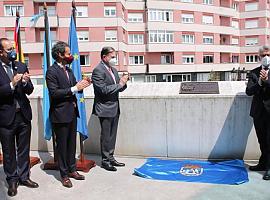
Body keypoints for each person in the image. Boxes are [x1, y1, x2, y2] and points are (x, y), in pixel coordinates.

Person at [46, 41, 91, 187]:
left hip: (72, 113)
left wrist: (82, 85)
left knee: (72, 144)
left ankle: (72, 169)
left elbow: (75, 88)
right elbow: (54, 93)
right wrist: (74, 88)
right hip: (60, 114)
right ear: (59, 55)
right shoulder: (52, 72)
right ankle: (64, 175)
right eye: (67, 53)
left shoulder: (69, 70)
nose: (70, 56)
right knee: (63, 146)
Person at [0, 38, 38, 197]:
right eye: (9, 49)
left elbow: (29, 90)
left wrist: (25, 82)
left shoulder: (21, 65)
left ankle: (24, 177)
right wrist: (11, 84)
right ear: (1, 52)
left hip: (23, 115)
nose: (13, 52)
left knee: (23, 149)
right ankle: (12, 180)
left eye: (13, 48)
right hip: (6, 117)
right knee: (8, 152)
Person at [92, 47, 129, 171]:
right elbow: (103, 90)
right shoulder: (98, 70)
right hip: (104, 108)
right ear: (104, 57)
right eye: (112, 57)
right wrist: (119, 84)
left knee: (112, 135)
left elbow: (119, 87)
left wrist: (124, 82)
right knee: (106, 135)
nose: (114, 59)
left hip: (115, 106)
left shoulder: (113, 69)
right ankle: (105, 160)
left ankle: (111, 157)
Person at [246, 45, 270, 180]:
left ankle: (269, 168)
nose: (266, 58)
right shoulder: (254, 72)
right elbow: (249, 91)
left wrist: (267, 81)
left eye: (268, 55)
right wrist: (260, 83)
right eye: (263, 55)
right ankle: (262, 163)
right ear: (259, 57)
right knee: (262, 141)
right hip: (259, 112)